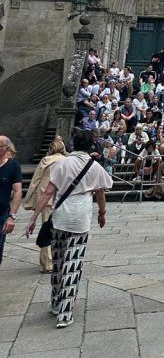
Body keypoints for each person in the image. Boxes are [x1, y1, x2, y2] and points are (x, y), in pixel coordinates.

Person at [25, 128, 113, 327]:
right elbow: (100, 193)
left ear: (73, 144)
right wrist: (102, 212)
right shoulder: (94, 166)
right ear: (90, 145)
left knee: (58, 261)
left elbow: (47, 193)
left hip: (60, 216)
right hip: (80, 218)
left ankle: (56, 302)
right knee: (73, 264)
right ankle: (65, 314)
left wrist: (34, 217)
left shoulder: (62, 164)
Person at [23, 135, 67, 273]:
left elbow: (35, 180)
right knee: (62, 229)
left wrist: (30, 199)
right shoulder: (67, 161)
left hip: (46, 198)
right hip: (62, 197)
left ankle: (47, 263)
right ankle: (61, 259)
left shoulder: (46, 160)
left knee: (46, 229)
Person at [0, 135, 23, 266]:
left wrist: (12, 217)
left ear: (6, 148)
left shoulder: (13, 166)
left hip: (1, 214)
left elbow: (17, 191)